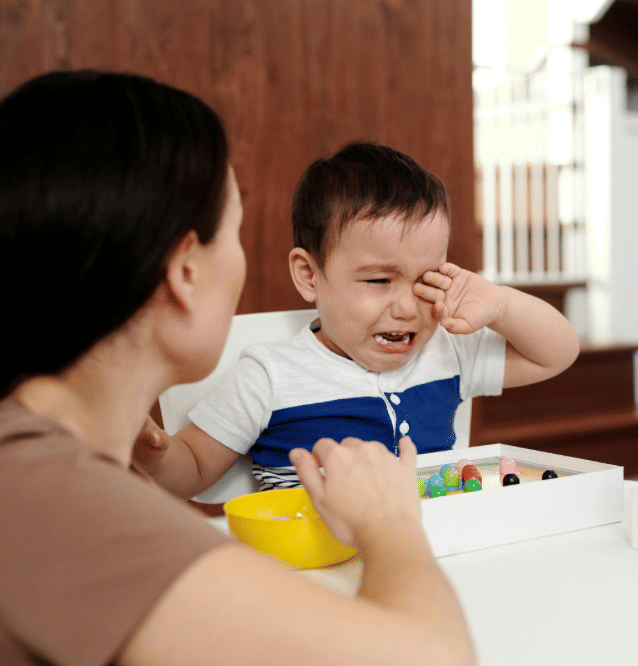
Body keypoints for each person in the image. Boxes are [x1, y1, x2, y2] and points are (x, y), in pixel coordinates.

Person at [0, 70, 476, 666]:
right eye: (234, 229)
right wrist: (390, 527)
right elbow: (434, 658)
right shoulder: (54, 501)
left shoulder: (36, 462)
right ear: (185, 272)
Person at [135, 141, 580, 495]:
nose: (407, 307)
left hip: (430, 557)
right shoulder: (270, 377)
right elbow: (191, 469)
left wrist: (499, 304)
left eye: (426, 279)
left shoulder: (448, 354)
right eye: (379, 281)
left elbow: (556, 354)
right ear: (309, 276)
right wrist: (154, 453)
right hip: (311, 574)